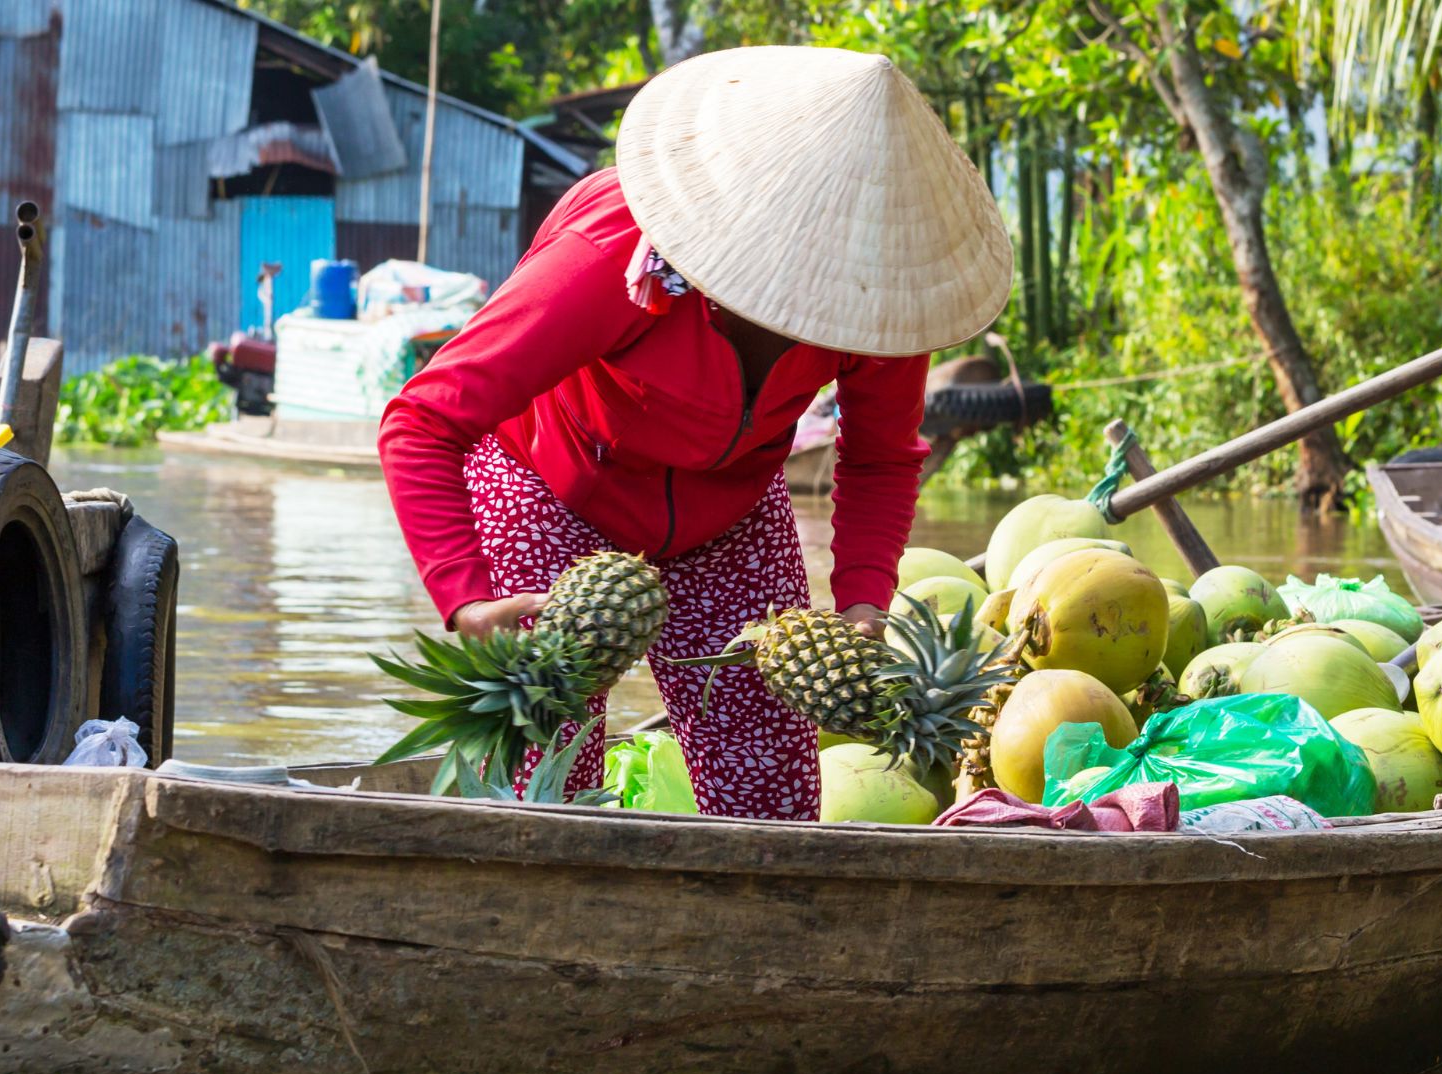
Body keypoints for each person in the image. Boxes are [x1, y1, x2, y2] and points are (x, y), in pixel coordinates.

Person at [376, 46, 1012, 819]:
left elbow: (878, 456)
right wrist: (465, 599)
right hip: (551, 481)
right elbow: (422, 419)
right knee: (550, 769)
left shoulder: (880, 302)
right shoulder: (608, 259)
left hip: (731, 507)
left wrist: (864, 600)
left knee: (769, 786)